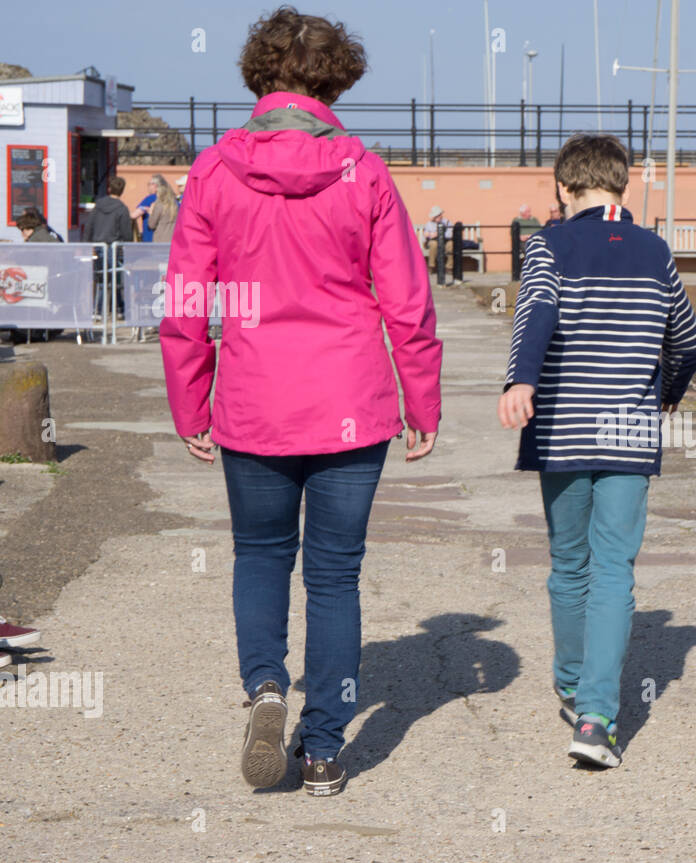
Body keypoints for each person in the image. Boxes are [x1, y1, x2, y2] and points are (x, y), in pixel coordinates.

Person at [159, 5, 443, 797]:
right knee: (335, 577)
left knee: (260, 556)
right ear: (334, 81)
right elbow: (407, 302)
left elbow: (186, 304)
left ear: (261, 75)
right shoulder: (366, 173)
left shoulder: (215, 171)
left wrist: (191, 404)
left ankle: (266, 689)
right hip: (351, 400)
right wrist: (422, 401)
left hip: (254, 400)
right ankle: (322, 749)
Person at [498, 132, 696, 769]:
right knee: (614, 567)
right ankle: (595, 718)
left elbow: (535, 310)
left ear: (563, 188)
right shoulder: (655, 250)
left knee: (569, 561)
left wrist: (522, 379)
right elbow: (688, 340)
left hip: (561, 424)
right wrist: (665, 395)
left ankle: (570, 679)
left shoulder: (549, 244)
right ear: (625, 184)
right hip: (629, 429)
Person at [85, 176, 133, 318]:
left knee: (101, 279)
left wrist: (86, 243)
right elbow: (126, 232)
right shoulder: (122, 209)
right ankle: (118, 308)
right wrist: (128, 245)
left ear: (109, 189)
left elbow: (89, 226)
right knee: (115, 279)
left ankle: (98, 310)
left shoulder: (98, 206)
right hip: (114, 247)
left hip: (98, 246)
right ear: (122, 191)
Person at [145, 174, 179, 243]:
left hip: (160, 241)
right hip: (172, 241)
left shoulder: (159, 205)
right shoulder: (175, 204)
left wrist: (150, 213)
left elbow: (151, 225)